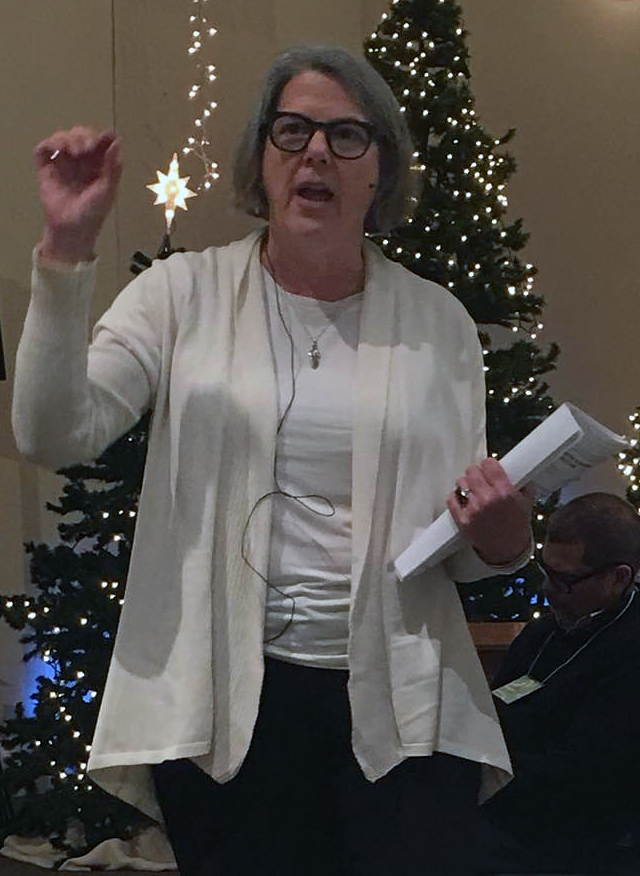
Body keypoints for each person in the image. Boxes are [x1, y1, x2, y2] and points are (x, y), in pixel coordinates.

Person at [13, 46, 532, 876]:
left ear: (379, 172)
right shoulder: (182, 297)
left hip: (404, 703)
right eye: (292, 131)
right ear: (262, 159)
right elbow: (54, 433)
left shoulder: (440, 326)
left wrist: (505, 537)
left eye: (346, 136)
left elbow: (464, 549)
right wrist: (67, 252)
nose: (316, 152)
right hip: (230, 711)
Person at [476, 492, 640, 875]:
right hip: (509, 818)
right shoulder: (544, 632)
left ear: (619, 577)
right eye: (544, 570)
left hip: (579, 845)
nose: (547, 589)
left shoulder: (631, 649)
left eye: (565, 580)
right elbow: (498, 706)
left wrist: (479, 769)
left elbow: (591, 778)